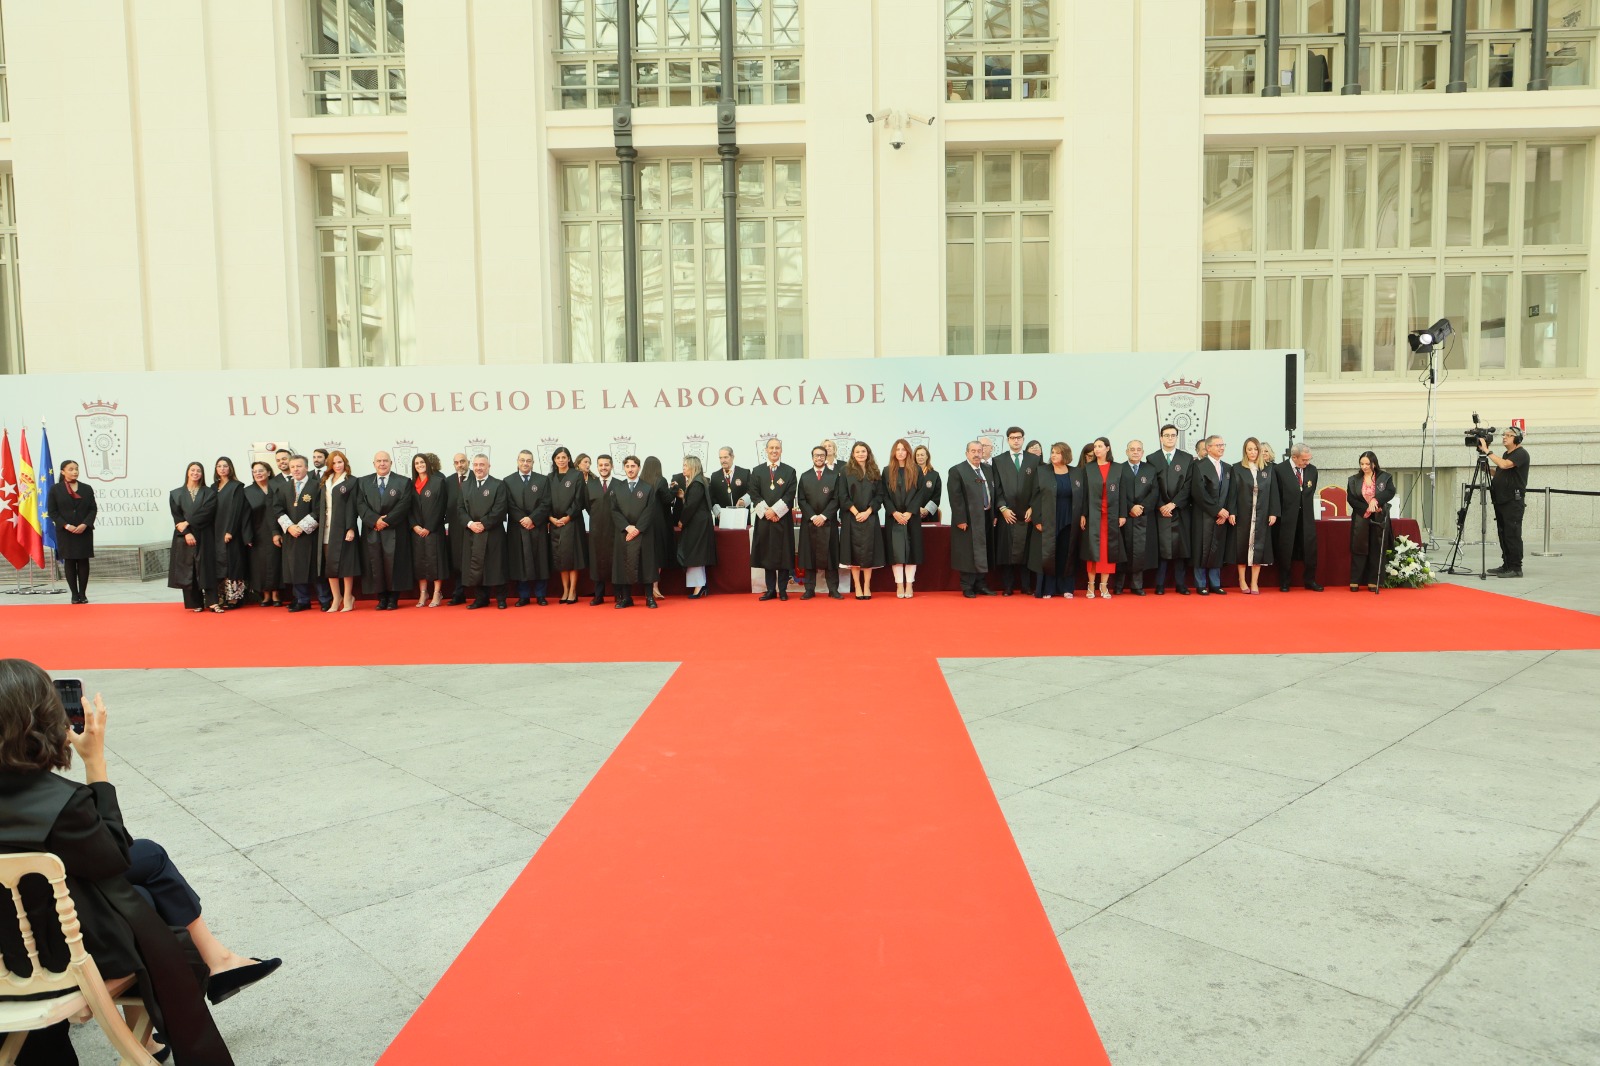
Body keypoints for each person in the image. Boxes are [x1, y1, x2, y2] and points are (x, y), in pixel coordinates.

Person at [0, 660, 283, 1066]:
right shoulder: (62, 804)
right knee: (143, 904)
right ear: (45, 722)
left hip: (9, 942)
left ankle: (206, 976)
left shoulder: (54, 804)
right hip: (54, 956)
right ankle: (191, 989)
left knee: (145, 872)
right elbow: (113, 858)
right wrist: (95, 765)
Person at [356, 450, 413, 611]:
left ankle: (393, 599)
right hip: (372, 530)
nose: (382, 464)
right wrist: (375, 520)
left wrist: (386, 521)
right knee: (375, 564)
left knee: (394, 564)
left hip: (395, 530)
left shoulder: (403, 482)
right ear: (374, 464)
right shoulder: (363, 482)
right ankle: (381, 598)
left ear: (391, 463)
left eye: (385, 461)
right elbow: (360, 504)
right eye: (379, 461)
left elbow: (404, 505)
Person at [1029, 443, 1082, 599]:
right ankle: (1048, 588)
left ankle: (1066, 588)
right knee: (1049, 554)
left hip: (1070, 519)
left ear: (1065, 455)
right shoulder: (1042, 472)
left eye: (1057, 453)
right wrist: (1037, 519)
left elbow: (1083, 496)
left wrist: (1083, 515)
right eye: (1052, 452)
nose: (1053, 455)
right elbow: (1035, 498)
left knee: (1067, 553)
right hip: (1048, 518)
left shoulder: (1077, 472)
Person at [992, 426, 1039, 596]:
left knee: (1026, 552)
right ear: (1008, 440)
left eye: (1019, 437)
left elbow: (1039, 487)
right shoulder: (998, 460)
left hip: (1027, 514)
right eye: (1012, 438)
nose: (1016, 440)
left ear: (1023, 439)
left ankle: (1026, 586)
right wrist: (1003, 508)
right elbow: (995, 488)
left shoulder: (1034, 460)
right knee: (1007, 552)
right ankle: (1008, 587)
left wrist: (1033, 507)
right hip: (1007, 514)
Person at [168, 462, 221, 614]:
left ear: (202, 474)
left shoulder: (209, 492)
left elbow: (207, 512)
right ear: (187, 472)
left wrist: (188, 522)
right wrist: (186, 532)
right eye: (193, 470)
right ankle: (195, 603)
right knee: (188, 569)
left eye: (199, 471)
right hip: (184, 536)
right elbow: (177, 517)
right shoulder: (176, 493)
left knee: (207, 567)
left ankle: (213, 602)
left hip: (205, 533)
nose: (195, 473)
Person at [1077, 436, 1126, 600]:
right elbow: (1083, 494)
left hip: (1111, 516)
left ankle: (1104, 585)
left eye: (1100, 446)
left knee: (1108, 552)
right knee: (1093, 550)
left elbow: (1123, 493)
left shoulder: (1118, 468)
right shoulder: (1088, 468)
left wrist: (1122, 514)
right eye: (1095, 446)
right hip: (1093, 516)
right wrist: (1083, 514)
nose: (1097, 449)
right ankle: (1090, 585)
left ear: (1107, 448)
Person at [882, 439, 931, 599]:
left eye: (903, 449)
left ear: (908, 452)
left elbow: (921, 493)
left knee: (912, 552)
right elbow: (884, 495)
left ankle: (909, 584)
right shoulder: (887, 471)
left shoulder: (916, 470)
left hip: (912, 517)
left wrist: (909, 512)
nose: (901, 452)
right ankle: (899, 584)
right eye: (898, 449)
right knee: (896, 553)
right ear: (894, 452)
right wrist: (894, 512)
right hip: (893, 517)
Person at [459, 453, 509, 610]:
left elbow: (500, 509)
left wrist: (484, 524)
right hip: (472, 532)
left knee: (497, 566)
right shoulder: (465, 485)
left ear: (489, 466)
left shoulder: (498, 485)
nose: (478, 468)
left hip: (493, 533)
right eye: (476, 465)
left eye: (482, 465)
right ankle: (481, 599)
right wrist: (470, 524)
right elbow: (460, 509)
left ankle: (501, 599)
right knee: (477, 567)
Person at [1229, 437, 1278, 595]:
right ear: (1245, 451)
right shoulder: (1237, 468)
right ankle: (1242, 580)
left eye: (1255, 449)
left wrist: (1273, 512)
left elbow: (1274, 492)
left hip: (1262, 514)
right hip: (1243, 514)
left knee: (1259, 548)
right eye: (1249, 449)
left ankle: (1254, 582)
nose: (1253, 452)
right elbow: (1232, 493)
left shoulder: (1268, 469)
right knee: (1242, 546)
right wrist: (1232, 511)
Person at [1272, 442, 1323, 592]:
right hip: (1287, 516)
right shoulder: (1279, 470)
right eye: (1304, 460)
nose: (1307, 463)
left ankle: (1310, 580)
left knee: (1310, 548)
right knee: (1286, 548)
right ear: (1294, 457)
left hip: (1306, 516)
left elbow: (1309, 491)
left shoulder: (1312, 470)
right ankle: (1285, 581)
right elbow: (1276, 494)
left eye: (1309, 459)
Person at [609, 456, 658, 609]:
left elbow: (650, 510)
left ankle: (649, 597)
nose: (630, 469)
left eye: (633, 466)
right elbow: (614, 510)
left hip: (643, 533)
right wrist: (627, 527)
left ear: (639, 468)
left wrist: (637, 529)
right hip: (624, 533)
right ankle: (626, 598)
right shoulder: (618, 488)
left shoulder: (647, 488)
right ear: (624, 468)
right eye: (627, 466)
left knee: (646, 565)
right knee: (624, 564)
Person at [1149, 424, 1194, 596]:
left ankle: (1181, 584)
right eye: (1166, 435)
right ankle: (1159, 584)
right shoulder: (1152, 458)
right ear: (1161, 438)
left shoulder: (1187, 458)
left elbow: (1189, 485)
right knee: (1162, 549)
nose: (1170, 438)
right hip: (1160, 511)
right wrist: (1161, 505)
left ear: (1177, 437)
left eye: (1173, 435)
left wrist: (1174, 504)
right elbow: (1152, 486)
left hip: (1180, 510)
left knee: (1180, 549)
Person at [750, 438, 797, 601]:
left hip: (782, 520)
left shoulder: (789, 471)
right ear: (766, 450)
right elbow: (754, 493)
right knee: (767, 554)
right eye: (771, 448)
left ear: (781, 450)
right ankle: (770, 590)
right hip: (765, 520)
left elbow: (790, 494)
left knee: (784, 555)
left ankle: (782, 590)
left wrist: (776, 511)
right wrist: (768, 512)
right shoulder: (757, 471)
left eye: (777, 448)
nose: (774, 451)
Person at [1481, 426, 1530, 578]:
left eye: (1508, 435)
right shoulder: (1505, 454)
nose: (1504, 437)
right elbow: (1500, 472)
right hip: (1502, 499)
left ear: (1517, 439)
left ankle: (1516, 568)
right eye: (1504, 435)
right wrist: (1487, 469)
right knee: (1503, 533)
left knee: (1512, 534)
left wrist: (1487, 451)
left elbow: (1504, 465)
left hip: (1513, 501)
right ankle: (1507, 564)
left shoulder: (1521, 453)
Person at [274, 456, 322, 612]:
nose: (295, 469)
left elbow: (319, 509)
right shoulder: (283, 487)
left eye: (299, 466)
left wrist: (301, 527)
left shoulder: (317, 486)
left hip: (311, 535)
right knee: (295, 567)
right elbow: (277, 509)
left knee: (315, 569)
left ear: (306, 468)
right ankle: (302, 600)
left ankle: (325, 599)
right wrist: (289, 527)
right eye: (293, 466)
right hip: (291, 535)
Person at [795, 445, 843, 600]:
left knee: (831, 557)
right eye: (816, 455)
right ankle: (809, 589)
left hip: (828, 522)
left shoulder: (834, 476)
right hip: (809, 523)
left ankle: (833, 589)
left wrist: (823, 516)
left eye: (822, 455)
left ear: (826, 457)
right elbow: (801, 500)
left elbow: (836, 499)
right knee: (808, 557)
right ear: (812, 457)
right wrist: (812, 516)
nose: (819, 458)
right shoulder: (805, 476)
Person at [948, 441, 995, 598]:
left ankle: (981, 584)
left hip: (986, 517)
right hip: (968, 520)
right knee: (967, 553)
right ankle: (967, 586)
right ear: (967, 453)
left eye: (979, 451)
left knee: (984, 551)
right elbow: (955, 498)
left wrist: (994, 514)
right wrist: (960, 519)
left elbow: (993, 493)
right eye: (973, 451)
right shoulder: (957, 470)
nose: (976, 454)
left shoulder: (988, 469)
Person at [505, 449, 550, 607]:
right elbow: (508, 504)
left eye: (528, 461)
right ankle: (523, 596)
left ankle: (540, 595)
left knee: (540, 561)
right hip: (517, 527)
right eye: (522, 460)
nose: (525, 463)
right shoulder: (508, 481)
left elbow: (546, 503)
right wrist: (522, 519)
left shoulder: (543, 480)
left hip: (537, 526)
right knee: (520, 562)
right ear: (517, 461)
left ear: (533, 463)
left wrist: (532, 519)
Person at [47, 460, 96, 605]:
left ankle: (83, 594)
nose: (75, 471)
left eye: (76, 469)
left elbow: (93, 509)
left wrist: (85, 524)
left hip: (84, 530)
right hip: (66, 532)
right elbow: (52, 512)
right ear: (63, 472)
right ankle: (74, 594)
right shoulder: (55, 489)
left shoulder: (86, 488)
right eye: (71, 469)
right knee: (69, 561)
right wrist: (66, 525)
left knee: (83, 561)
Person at [841, 441, 885, 600]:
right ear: (853, 454)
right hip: (851, 517)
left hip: (870, 517)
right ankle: (858, 586)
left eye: (863, 451)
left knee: (868, 554)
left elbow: (880, 496)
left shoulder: (875, 471)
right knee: (853, 555)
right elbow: (842, 495)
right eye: (857, 451)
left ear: (868, 453)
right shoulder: (845, 471)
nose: (860, 454)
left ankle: (866, 585)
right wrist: (856, 512)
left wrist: (867, 512)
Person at [1190, 435, 1233, 595]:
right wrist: (1216, 510)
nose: (1221, 448)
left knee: (1217, 548)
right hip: (1203, 515)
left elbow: (1231, 492)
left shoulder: (1227, 467)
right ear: (1208, 448)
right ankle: (1201, 584)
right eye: (1218, 445)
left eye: (1223, 445)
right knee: (1201, 548)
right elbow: (1198, 492)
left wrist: (1225, 512)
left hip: (1222, 516)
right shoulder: (1198, 466)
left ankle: (1215, 583)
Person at [319, 450, 362, 612]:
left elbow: (353, 506)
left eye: (340, 462)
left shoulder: (352, 481)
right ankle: (336, 598)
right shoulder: (325, 481)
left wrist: (351, 528)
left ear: (345, 463)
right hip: (326, 527)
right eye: (334, 463)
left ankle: (348, 596)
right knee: (330, 565)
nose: (337, 465)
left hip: (343, 527)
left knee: (346, 564)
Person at [1347, 450, 1394, 593]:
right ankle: (1355, 580)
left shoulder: (1384, 477)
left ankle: (1374, 581)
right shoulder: (1353, 479)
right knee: (1359, 547)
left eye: (1367, 464)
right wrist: (1366, 509)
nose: (1364, 467)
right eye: (1362, 464)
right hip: (1361, 516)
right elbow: (1351, 498)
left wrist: (1376, 500)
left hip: (1378, 515)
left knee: (1376, 546)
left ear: (1374, 463)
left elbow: (1390, 492)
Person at [1116, 440, 1158, 596]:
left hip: (1143, 516)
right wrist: (1130, 507)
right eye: (1132, 449)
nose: (1135, 452)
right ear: (1126, 452)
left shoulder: (1150, 469)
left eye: (1138, 449)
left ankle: (1137, 585)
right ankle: (1119, 585)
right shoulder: (1119, 469)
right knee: (1122, 550)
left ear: (1143, 452)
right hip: (1124, 516)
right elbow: (1116, 493)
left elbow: (1154, 492)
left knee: (1139, 552)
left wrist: (1142, 508)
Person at [548, 447, 588, 604]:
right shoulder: (549, 477)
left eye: (564, 457)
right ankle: (565, 590)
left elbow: (579, 501)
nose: (561, 460)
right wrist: (550, 518)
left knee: (573, 558)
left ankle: (573, 590)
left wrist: (568, 517)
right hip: (555, 523)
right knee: (561, 559)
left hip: (572, 522)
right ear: (554, 459)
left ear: (569, 459)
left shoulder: (577, 475)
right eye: (558, 457)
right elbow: (545, 500)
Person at [409, 453, 449, 607]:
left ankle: (437, 593)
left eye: (422, 462)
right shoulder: (410, 484)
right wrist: (414, 526)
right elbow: (408, 508)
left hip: (434, 530)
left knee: (435, 561)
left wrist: (429, 527)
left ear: (427, 463)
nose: (420, 465)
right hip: (417, 531)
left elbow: (441, 507)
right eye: (417, 463)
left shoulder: (438, 482)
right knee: (420, 562)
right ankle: (423, 593)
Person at [242, 461, 283, 607]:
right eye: (255, 471)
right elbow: (244, 515)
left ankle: (276, 593)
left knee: (276, 562)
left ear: (268, 472)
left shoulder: (277, 487)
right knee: (260, 565)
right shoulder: (247, 491)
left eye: (261, 470)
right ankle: (265, 594)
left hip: (277, 531)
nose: (258, 474)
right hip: (257, 532)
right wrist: (247, 535)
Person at [676, 455, 717, 599]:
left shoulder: (696, 483)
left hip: (697, 524)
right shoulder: (699, 481)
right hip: (699, 523)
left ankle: (699, 586)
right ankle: (701, 585)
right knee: (697, 553)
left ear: (693, 467)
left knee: (695, 553)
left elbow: (691, 507)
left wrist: (682, 520)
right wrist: (684, 497)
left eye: (685, 466)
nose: (683, 469)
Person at [587, 454, 619, 605]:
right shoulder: (590, 485)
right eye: (600, 465)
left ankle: (618, 595)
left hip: (615, 530)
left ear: (612, 466)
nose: (603, 468)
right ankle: (598, 596)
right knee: (597, 562)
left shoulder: (619, 484)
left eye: (606, 465)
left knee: (616, 562)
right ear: (597, 467)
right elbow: (587, 506)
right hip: (596, 530)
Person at [642, 456, 675, 600]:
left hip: (644, 522)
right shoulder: (660, 480)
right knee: (658, 555)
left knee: (649, 555)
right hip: (658, 523)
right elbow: (668, 499)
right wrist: (674, 489)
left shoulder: (641, 480)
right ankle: (654, 586)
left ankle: (649, 587)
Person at [445, 452, 472, 605]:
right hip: (455, 527)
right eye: (456, 462)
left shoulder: (476, 477)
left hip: (474, 526)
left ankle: (480, 594)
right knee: (457, 561)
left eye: (462, 461)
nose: (460, 465)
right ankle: (459, 593)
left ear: (468, 462)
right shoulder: (448, 481)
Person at [710, 446, 750, 515]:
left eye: (725, 457)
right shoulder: (715, 476)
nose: (723, 461)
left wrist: (744, 500)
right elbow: (712, 497)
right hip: (722, 517)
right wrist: (718, 513)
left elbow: (752, 491)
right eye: (720, 458)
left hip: (741, 516)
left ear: (732, 457)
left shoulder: (745, 473)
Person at [913, 445, 941, 525]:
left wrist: (926, 510)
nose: (920, 457)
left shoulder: (935, 475)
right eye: (917, 455)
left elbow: (937, 496)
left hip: (930, 516)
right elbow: (907, 495)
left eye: (922, 455)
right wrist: (917, 509)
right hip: (913, 514)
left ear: (927, 457)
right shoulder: (909, 475)